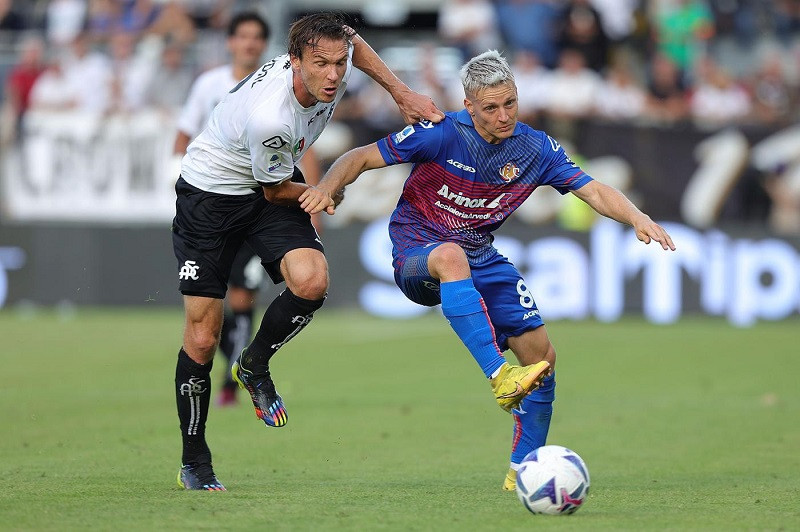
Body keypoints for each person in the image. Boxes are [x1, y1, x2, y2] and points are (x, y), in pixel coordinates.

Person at [300, 50, 675, 490]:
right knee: (450, 256)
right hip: (419, 253)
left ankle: (524, 471)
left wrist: (636, 217)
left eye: (510, 103)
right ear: (470, 105)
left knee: (542, 361)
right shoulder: (440, 134)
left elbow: (592, 190)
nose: (504, 115)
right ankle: (499, 376)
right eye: (491, 107)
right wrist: (326, 188)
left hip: (481, 254)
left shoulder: (535, 148)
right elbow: (360, 157)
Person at [171, 12, 444, 491]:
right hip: (211, 198)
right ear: (294, 61)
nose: (334, 75)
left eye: (340, 64)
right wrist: (327, 191)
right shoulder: (271, 118)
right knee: (203, 336)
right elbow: (277, 191)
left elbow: (353, 41)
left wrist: (400, 93)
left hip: (265, 186)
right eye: (321, 64)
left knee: (312, 280)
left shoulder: (329, 66)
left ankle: (253, 363)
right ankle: (194, 460)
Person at [173, 11, 272, 408]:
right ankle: (229, 360)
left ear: (263, 44)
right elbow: (182, 135)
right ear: (230, 42)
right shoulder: (209, 85)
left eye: (256, 37)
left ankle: (233, 379)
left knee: (243, 296)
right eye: (242, 36)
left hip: (253, 205)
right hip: (208, 206)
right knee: (209, 305)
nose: (249, 43)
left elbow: (302, 148)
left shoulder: (274, 85)